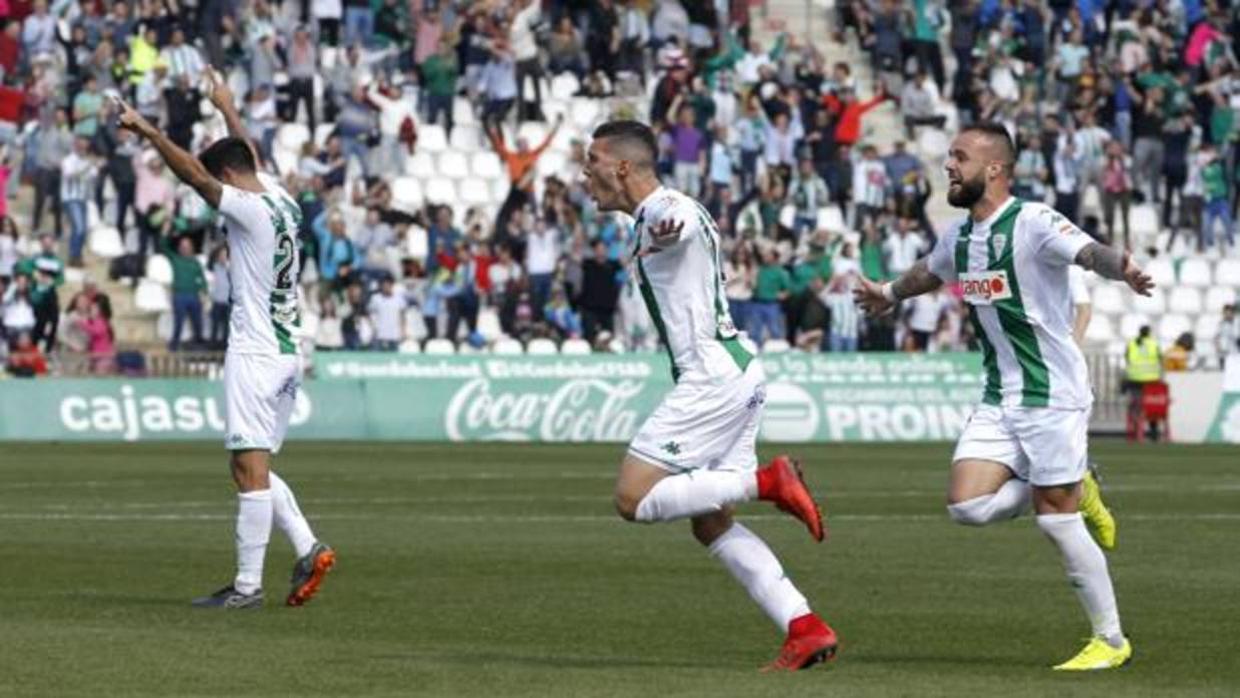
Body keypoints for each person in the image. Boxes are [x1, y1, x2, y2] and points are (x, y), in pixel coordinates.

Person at [854, 122, 1154, 670]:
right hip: (999, 394)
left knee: (1055, 520)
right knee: (967, 506)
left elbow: (1087, 253)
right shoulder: (960, 235)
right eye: (949, 157)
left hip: (1052, 393)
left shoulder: (1033, 221)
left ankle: (1110, 641)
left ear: (994, 168)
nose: (949, 166)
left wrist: (1123, 268)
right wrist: (889, 295)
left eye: (959, 157)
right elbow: (931, 270)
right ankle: (1073, 483)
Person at [583, 120, 836, 671]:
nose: (586, 173)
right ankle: (804, 626)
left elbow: (681, 225)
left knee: (632, 499)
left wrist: (669, 226)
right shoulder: (653, 217)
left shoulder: (665, 209)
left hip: (712, 377)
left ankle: (767, 481)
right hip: (734, 371)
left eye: (592, 162)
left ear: (621, 166)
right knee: (711, 520)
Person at [114, 70, 335, 610]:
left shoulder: (249, 206)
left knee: (245, 467)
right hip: (288, 352)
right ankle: (308, 547)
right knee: (255, 465)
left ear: (229, 178)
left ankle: (246, 587)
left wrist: (147, 130)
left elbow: (195, 175)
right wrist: (227, 106)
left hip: (256, 352)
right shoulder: (281, 199)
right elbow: (249, 157)